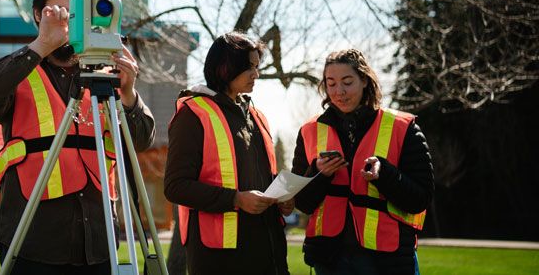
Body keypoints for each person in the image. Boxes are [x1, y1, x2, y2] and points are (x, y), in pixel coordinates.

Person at [0, 0, 155, 274]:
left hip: (98, 243)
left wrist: (129, 93)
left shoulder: (107, 78)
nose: (71, 24)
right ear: (39, 14)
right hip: (35, 242)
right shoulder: (21, 71)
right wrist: (41, 46)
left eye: (78, 14)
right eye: (64, 13)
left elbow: (141, 141)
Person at [291, 49, 434, 275]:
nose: (339, 92)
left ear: (365, 80)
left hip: (388, 260)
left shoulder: (402, 127)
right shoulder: (309, 131)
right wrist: (319, 174)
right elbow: (302, 203)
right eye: (331, 83)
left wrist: (384, 174)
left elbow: (421, 199)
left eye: (347, 82)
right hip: (329, 259)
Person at [164, 31, 292, 275]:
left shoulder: (256, 115)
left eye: (257, 66)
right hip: (220, 258)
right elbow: (175, 187)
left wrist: (283, 199)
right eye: (249, 67)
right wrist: (236, 199)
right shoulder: (192, 115)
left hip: (269, 251)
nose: (256, 74)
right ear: (224, 67)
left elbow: (264, 177)